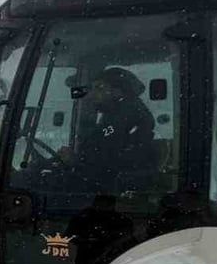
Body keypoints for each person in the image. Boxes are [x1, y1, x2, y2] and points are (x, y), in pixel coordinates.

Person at [58, 66, 158, 195]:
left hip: (113, 192)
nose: (92, 95)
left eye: (100, 88)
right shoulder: (118, 116)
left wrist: (75, 162)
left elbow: (107, 164)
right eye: (92, 89)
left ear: (118, 92)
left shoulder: (124, 120)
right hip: (108, 186)